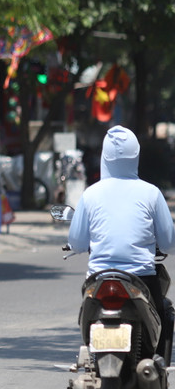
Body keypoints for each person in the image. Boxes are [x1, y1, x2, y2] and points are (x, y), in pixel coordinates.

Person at [68, 125, 175, 353]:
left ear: (104, 157)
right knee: (163, 315)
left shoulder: (90, 194)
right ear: (135, 156)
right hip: (142, 279)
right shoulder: (151, 193)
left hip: (99, 279)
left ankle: (90, 355)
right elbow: (168, 243)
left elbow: (76, 243)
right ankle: (157, 364)